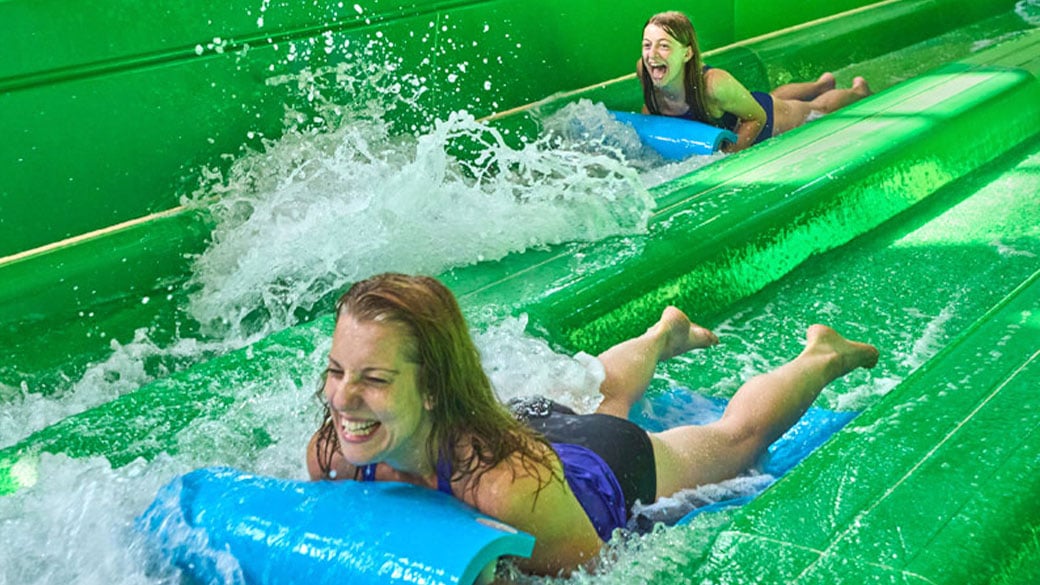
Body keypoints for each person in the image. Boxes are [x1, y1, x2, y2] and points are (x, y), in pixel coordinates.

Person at [307, 272, 879, 576]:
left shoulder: (510, 490)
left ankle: (821, 356)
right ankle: (660, 335)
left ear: (433, 388)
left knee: (736, 439)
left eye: (375, 380)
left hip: (597, 470)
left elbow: (607, 570)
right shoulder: (335, 452)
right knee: (590, 393)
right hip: (516, 426)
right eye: (336, 371)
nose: (344, 398)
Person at [638, 11, 873, 152]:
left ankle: (857, 91)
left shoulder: (713, 85)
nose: (652, 54)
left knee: (815, 109)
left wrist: (733, 154)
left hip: (758, 120)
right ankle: (820, 85)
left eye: (664, 46)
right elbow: (652, 107)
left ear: (687, 54)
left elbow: (757, 116)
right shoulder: (645, 70)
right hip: (735, 104)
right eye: (647, 45)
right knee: (776, 94)